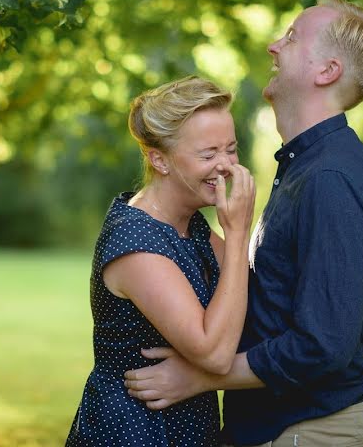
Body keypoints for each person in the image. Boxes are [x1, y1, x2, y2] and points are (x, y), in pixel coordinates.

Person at [124, 0, 363, 446]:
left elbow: (323, 345)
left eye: (292, 38)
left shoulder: (329, 177)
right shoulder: (306, 166)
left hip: (305, 431)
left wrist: (201, 377)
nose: (274, 46)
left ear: (326, 72)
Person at [65, 76, 256, 446]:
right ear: (159, 159)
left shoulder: (190, 225)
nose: (225, 166)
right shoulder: (135, 242)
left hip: (185, 423)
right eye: (208, 154)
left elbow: (247, 299)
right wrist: (237, 234)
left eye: (231, 149)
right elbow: (215, 354)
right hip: (134, 429)